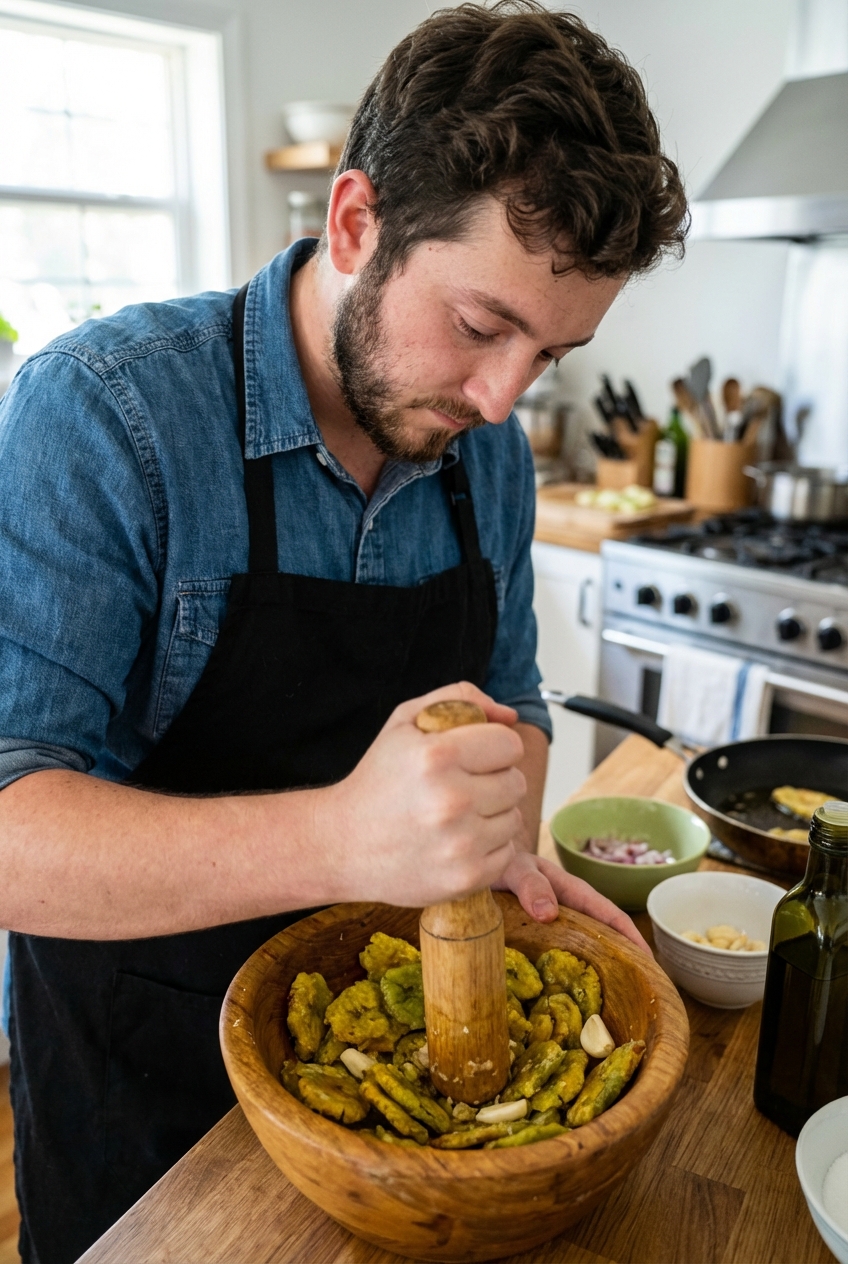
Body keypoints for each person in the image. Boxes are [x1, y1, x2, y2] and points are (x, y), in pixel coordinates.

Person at [0, 3, 687, 1259]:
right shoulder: (105, 418)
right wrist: (339, 835)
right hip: (142, 1101)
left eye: (550, 353)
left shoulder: (489, 457)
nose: (501, 398)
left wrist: (500, 844)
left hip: (413, 1100)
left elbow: (511, 706)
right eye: (483, 326)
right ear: (356, 220)